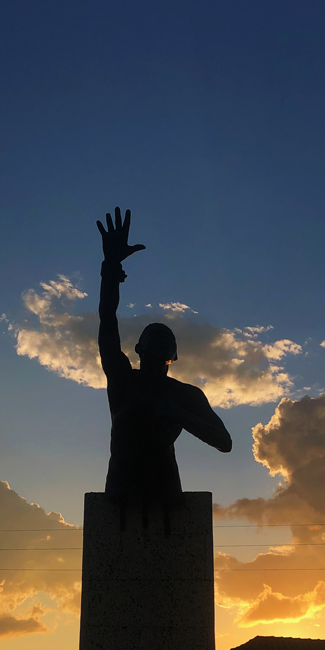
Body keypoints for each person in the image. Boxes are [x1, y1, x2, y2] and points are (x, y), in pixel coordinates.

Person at [97, 207, 232, 510]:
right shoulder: (122, 378)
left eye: (167, 340)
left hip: (166, 497)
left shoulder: (184, 395)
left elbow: (225, 442)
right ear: (138, 349)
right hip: (120, 496)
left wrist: (180, 415)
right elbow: (107, 320)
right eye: (152, 338)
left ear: (175, 355)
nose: (160, 341)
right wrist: (111, 266)